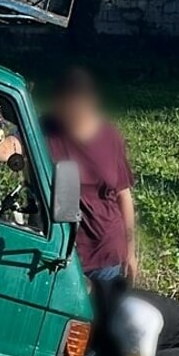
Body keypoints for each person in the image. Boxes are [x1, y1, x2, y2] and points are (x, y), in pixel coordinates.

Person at [44, 67, 139, 283]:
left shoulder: (110, 137)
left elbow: (124, 196)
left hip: (107, 255)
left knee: (106, 316)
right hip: (63, 254)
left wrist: (130, 251)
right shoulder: (47, 130)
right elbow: (14, 145)